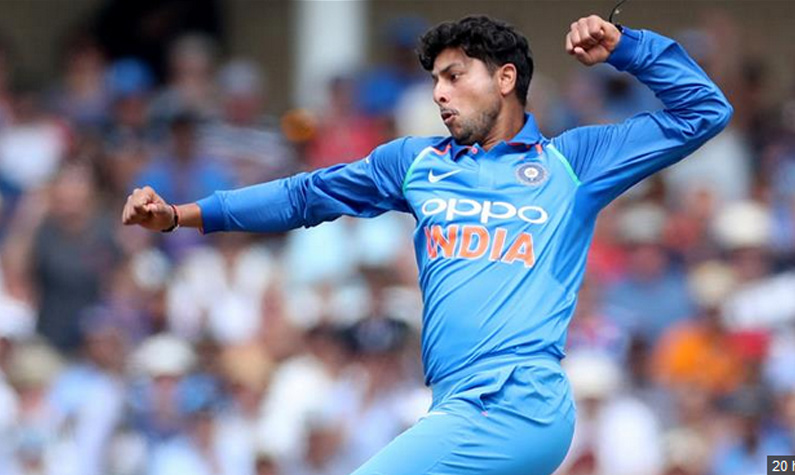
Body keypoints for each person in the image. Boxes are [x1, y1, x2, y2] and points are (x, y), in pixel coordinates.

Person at [122, 13, 732, 475]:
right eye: (435, 80)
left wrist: (628, 48)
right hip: (452, 404)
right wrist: (182, 216)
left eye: (454, 76)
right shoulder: (416, 163)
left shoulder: (571, 162)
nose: (439, 93)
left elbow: (704, 111)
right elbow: (305, 196)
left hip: (516, 403)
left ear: (505, 79)